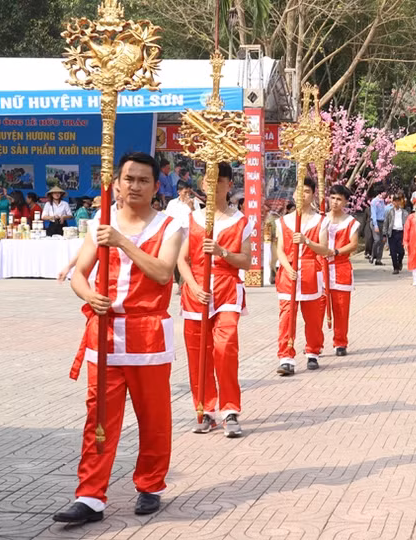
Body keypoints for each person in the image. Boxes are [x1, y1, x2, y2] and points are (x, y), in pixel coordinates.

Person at [52, 152, 183, 525]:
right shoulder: (100, 223)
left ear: (156, 187)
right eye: (129, 179)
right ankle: (90, 495)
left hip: (147, 335)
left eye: (143, 180)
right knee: (100, 416)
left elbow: (162, 274)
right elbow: (80, 273)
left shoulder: (170, 227)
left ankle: (150, 484)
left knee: (153, 416)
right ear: (116, 184)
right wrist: (88, 294)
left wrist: (123, 242)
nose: (135, 186)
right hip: (105, 334)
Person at [178, 162, 252, 437]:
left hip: (226, 290)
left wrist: (223, 253)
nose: (214, 185)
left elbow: (246, 261)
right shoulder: (191, 219)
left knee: (225, 347)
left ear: (228, 184)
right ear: (201, 184)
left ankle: (230, 408)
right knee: (198, 352)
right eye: (208, 180)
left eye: (219, 180)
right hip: (197, 291)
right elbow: (181, 259)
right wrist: (193, 285)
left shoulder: (240, 221)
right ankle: (205, 409)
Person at [275, 178, 326, 376]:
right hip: (289, 273)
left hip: (310, 270)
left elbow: (323, 249)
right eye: (298, 191)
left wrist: (307, 241)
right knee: (287, 317)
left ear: (312, 194)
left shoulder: (320, 221)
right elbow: (279, 249)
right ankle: (286, 357)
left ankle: (313, 351)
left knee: (312, 317)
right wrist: (287, 268)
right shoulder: (283, 221)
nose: (301, 195)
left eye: (305, 191)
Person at [321, 184, 359, 356]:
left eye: (339, 199)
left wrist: (336, 252)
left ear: (344, 202)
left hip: (341, 267)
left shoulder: (350, 222)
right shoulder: (320, 219)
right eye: (333, 198)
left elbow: (354, 244)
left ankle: (340, 342)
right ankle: (315, 344)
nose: (335, 202)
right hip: (320, 268)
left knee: (341, 308)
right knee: (317, 308)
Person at [384, 193, 408, 274]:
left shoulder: (404, 212)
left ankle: (400, 261)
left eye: (398, 201)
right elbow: (386, 223)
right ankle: (395, 268)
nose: (397, 203)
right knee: (393, 252)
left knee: (401, 251)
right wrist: (384, 234)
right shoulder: (389, 212)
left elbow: (407, 223)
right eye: (395, 201)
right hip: (392, 233)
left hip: (401, 232)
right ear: (393, 202)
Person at [369, 189, 387, 265]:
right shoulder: (374, 202)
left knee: (382, 241)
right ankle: (372, 255)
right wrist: (375, 225)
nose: (385, 194)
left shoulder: (384, 201)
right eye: (384, 192)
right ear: (380, 192)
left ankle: (378, 259)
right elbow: (374, 214)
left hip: (383, 222)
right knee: (377, 240)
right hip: (375, 222)